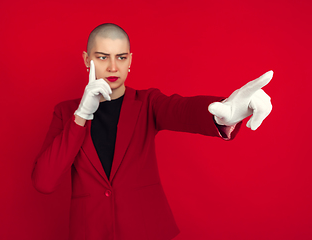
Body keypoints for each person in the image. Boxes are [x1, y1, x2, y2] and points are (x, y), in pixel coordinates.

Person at [31, 23, 273, 240]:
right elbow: (44, 181)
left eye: (121, 57)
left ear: (130, 61)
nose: (113, 66)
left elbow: (182, 110)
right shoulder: (66, 112)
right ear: (87, 59)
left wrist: (224, 111)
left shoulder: (147, 103)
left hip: (144, 231)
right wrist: (81, 115)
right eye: (103, 57)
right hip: (90, 232)